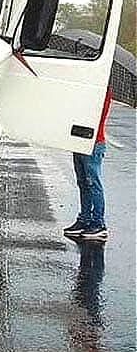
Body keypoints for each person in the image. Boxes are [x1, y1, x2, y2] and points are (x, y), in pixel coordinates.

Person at [63, 87, 112, 241]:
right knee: (83, 183)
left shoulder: (102, 91)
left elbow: (94, 114)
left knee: (93, 184)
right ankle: (84, 219)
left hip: (93, 143)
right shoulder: (87, 89)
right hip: (80, 141)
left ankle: (98, 223)